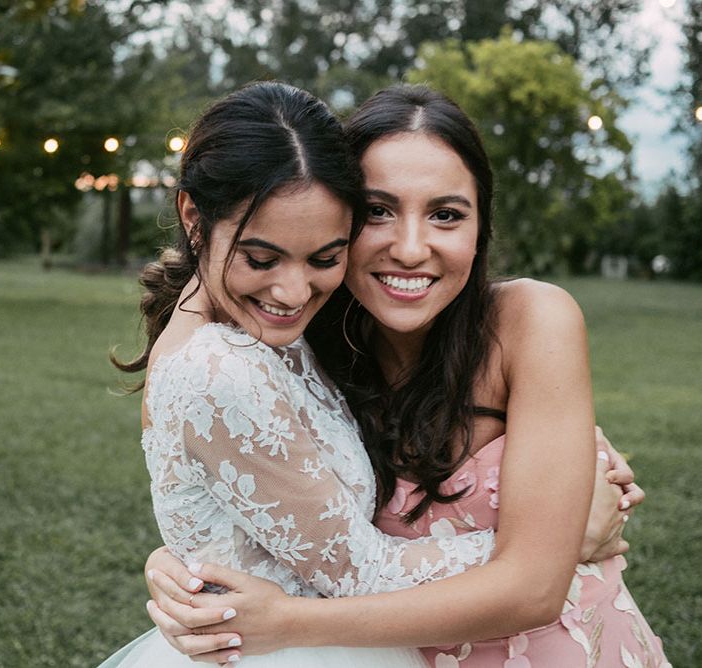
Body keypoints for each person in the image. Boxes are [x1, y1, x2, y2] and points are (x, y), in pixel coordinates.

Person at [140, 85, 667, 667]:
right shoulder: (298, 330)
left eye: (445, 215)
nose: (411, 249)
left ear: (481, 224)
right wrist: (177, 564)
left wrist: (553, 538)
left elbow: (535, 590)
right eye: (378, 211)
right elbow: (214, 461)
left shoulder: (532, 320)